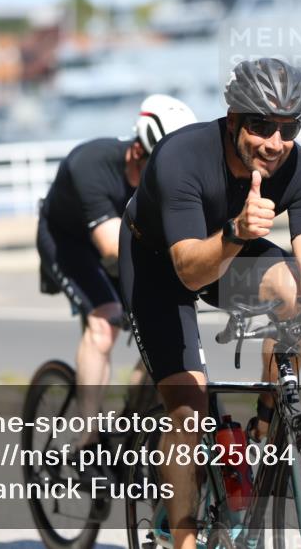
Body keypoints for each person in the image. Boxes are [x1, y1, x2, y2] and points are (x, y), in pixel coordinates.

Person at [119, 58, 301, 549]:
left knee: (299, 295)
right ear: (233, 122)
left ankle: (264, 430)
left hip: (232, 247)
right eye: (261, 125)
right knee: (189, 407)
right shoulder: (182, 158)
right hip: (160, 263)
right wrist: (235, 230)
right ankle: (183, 538)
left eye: (288, 127)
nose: (274, 141)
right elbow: (189, 271)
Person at [37, 94, 196, 442]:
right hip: (69, 244)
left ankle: (132, 424)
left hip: (128, 246)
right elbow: (112, 248)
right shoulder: (90, 163)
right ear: (138, 151)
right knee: (104, 323)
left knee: (166, 337)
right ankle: (87, 436)